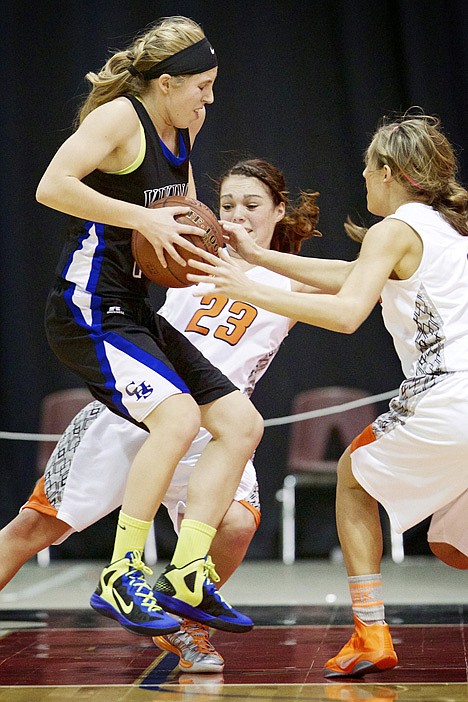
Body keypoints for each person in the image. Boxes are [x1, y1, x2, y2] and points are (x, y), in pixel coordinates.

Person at [8, 158, 320, 671]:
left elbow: (359, 288)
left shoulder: (292, 280)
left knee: (238, 524)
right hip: (143, 408)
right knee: (32, 530)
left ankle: (184, 626)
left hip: (217, 427)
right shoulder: (190, 251)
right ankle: (127, 577)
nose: (236, 215)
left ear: (279, 211)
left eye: (251, 205)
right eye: (226, 205)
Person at [186, 113, 468, 676]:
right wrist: (259, 258)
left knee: (352, 475)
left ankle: (370, 631)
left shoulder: (395, 228)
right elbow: (347, 274)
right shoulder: (448, 230)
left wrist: (247, 287)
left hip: (445, 397)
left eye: (368, 168)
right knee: (453, 547)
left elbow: (346, 312)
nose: (363, 178)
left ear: (389, 171)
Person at [35, 16, 265, 638]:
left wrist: (215, 249)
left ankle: (188, 570)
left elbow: (181, 217)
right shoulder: (118, 119)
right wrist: (142, 217)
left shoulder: (186, 126)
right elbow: (51, 186)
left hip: (135, 308)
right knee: (178, 417)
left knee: (241, 423)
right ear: (166, 83)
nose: (209, 98)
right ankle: (122, 568)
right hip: (86, 304)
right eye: (203, 85)